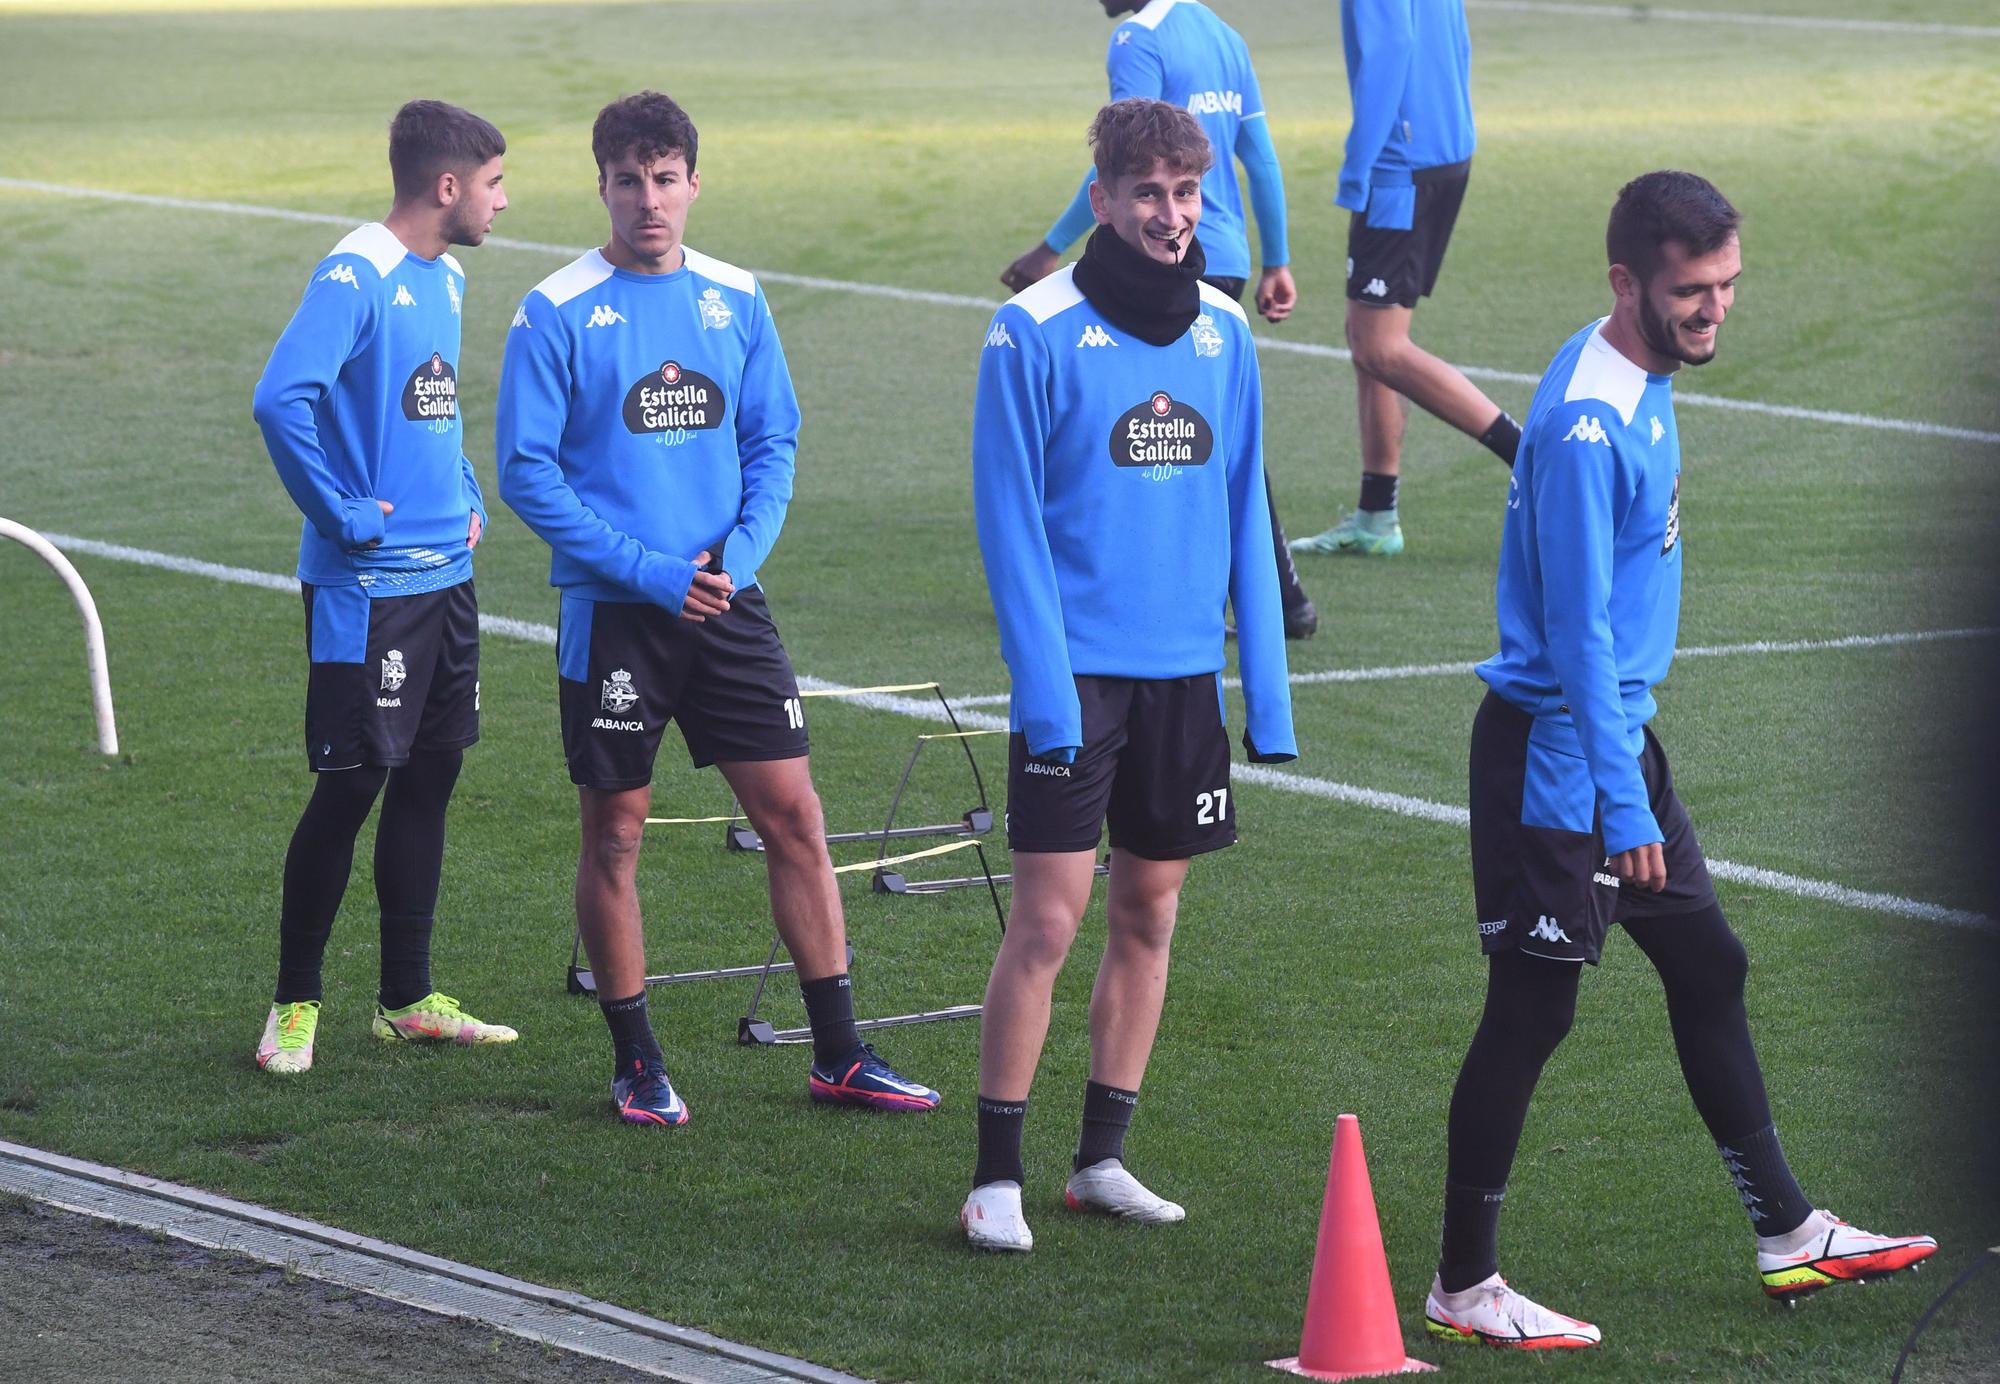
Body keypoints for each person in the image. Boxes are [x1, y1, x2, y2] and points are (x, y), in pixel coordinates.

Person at [1426, 171, 1935, 1348]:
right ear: (1625, 284)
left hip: (1611, 741)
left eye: (1724, 287)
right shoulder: (1587, 426)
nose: (1712, 311)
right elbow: (1574, 634)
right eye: (1688, 292)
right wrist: (1619, 806)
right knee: (1529, 1013)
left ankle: (1785, 1230)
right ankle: (1461, 1284)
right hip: (1558, 761)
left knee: (1709, 966)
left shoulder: (1628, 368)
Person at [494, 91, 938, 1129]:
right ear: (600, 186)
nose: (647, 200)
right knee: (615, 834)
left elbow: (772, 441)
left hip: (726, 600)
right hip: (616, 614)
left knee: (795, 816)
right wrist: (655, 572)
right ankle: (637, 1062)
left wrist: (733, 560)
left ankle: (837, 1054)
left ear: (695, 181)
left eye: (664, 178)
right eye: (626, 181)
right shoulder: (554, 310)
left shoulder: (737, 299)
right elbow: (526, 474)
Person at [964, 98, 1296, 1251]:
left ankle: (1100, 1158)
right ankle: (993, 1175)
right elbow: (1007, 525)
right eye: (1147, 194)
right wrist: (1044, 688)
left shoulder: (1223, 330)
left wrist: (1269, 693)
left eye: (1185, 194)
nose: (1169, 215)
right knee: (1048, 922)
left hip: (1180, 680)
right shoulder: (1030, 330)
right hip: (1075, 679)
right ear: (1098, 199)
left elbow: (1246, 503)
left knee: (1148, 913)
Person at [249, 100, 516, 1077]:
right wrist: (340, 511)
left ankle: (407, 998)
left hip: (447, 578)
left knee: (432, 773)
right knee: (351, 782)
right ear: (446, 186)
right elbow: (282, 398)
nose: (502, 200)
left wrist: (462, 488)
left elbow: (428, 398)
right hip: (366, 590)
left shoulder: (442, 274)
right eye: (493, 182)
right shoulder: (354, 272)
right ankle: (294, 1005)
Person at [1000, 0, 1319, 640]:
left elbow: (1126, 165)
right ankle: (1280, 596)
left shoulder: (1138, 39)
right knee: (1212, 437)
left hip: (1163, 253)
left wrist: (1049, 247)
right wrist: (1277, 259)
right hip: (1218, 256)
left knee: (1145, 432)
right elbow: (1259, 157)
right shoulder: (1224, 34)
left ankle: (1176, 588)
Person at [1288, 0, 1520, 559]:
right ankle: (1376, 515)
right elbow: (1454, 37)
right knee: (1366, 340)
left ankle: (1535, 457)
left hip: (1399, 166)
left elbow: (1392, 48)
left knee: (1379, 347)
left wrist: (1357, 166)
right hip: (1443, 148)